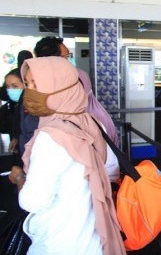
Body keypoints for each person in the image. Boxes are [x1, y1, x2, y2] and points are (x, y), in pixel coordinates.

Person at [8, 56, 125, 254]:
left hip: (57, 243)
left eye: (38, 85)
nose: (29, 92)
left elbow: (33, 201)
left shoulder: (50, 138)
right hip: (93, 239)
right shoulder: (91, 123)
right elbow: (111, 171)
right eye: (27, 84)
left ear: (61, 87)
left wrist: (19, 177)